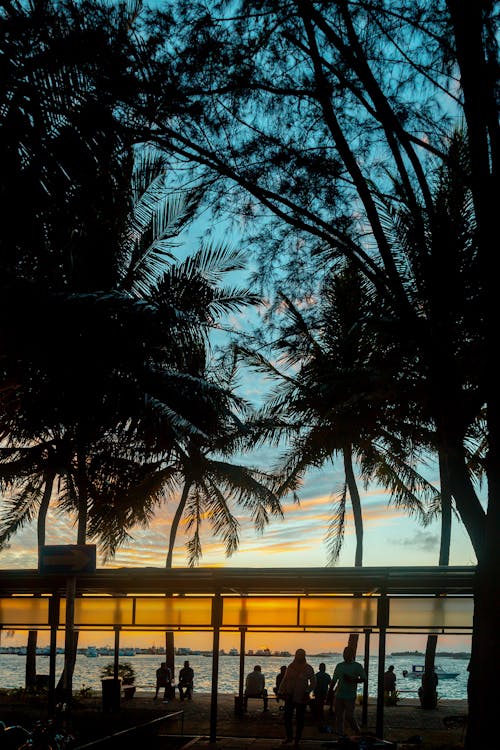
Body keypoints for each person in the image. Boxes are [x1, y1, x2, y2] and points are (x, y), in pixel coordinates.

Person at [278, 648, 316, 747]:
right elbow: (285, 680)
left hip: (301, 697)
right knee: (287, 718)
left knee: (300, 719)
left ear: (304, 656)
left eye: (300, 654)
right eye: (297, 654)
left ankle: (297, 739)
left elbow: (313, 682)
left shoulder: (308, 668)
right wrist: (280, 691)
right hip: (289, 696)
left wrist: (307, 692)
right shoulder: (290, 667)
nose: (298, 656)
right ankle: (289, 737)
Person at [331, 646, 366, 736]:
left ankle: (357, 731)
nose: (345, 655)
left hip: (350, 696)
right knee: (339, 718)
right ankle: (341, 736)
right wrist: (330, 692)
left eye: (347, 653)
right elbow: (334, 680)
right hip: (339, 695)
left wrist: (352, 679)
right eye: (344, 653)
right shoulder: (339, 666)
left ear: (351, 654)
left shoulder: (357, 666)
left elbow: (364, 679)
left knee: (349, 716)